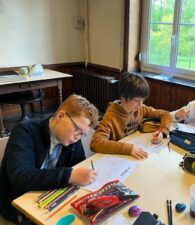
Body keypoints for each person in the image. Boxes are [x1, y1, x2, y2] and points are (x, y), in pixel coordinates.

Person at [0, 94, 99, 222]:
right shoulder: (25, 131)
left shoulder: (71, 138)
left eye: (82, 134)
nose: (77, 137)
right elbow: (20, 176)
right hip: (19, 205)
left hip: (50, 198)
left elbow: (78, 166)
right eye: (77, 130)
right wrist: (70, 175)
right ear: (60, 116)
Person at [91, 72, 172, 159]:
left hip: (135, 152)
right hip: (117, 158)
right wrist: (128, 149)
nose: (140, 104)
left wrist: (162, 133)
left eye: (142, 100)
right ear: (123, 96)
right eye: (137, 100)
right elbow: (95, 143)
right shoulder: (111, 116)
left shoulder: (140, 109)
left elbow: (166, 114)